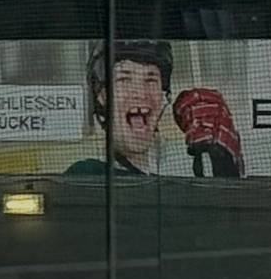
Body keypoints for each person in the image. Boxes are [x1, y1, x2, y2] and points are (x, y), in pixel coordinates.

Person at [63, 40, 243, 179]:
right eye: (124, 80)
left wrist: (224, 166)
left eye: (151, 80)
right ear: (102, 96)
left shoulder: (187, 165)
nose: (141, 94)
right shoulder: (87, 174)